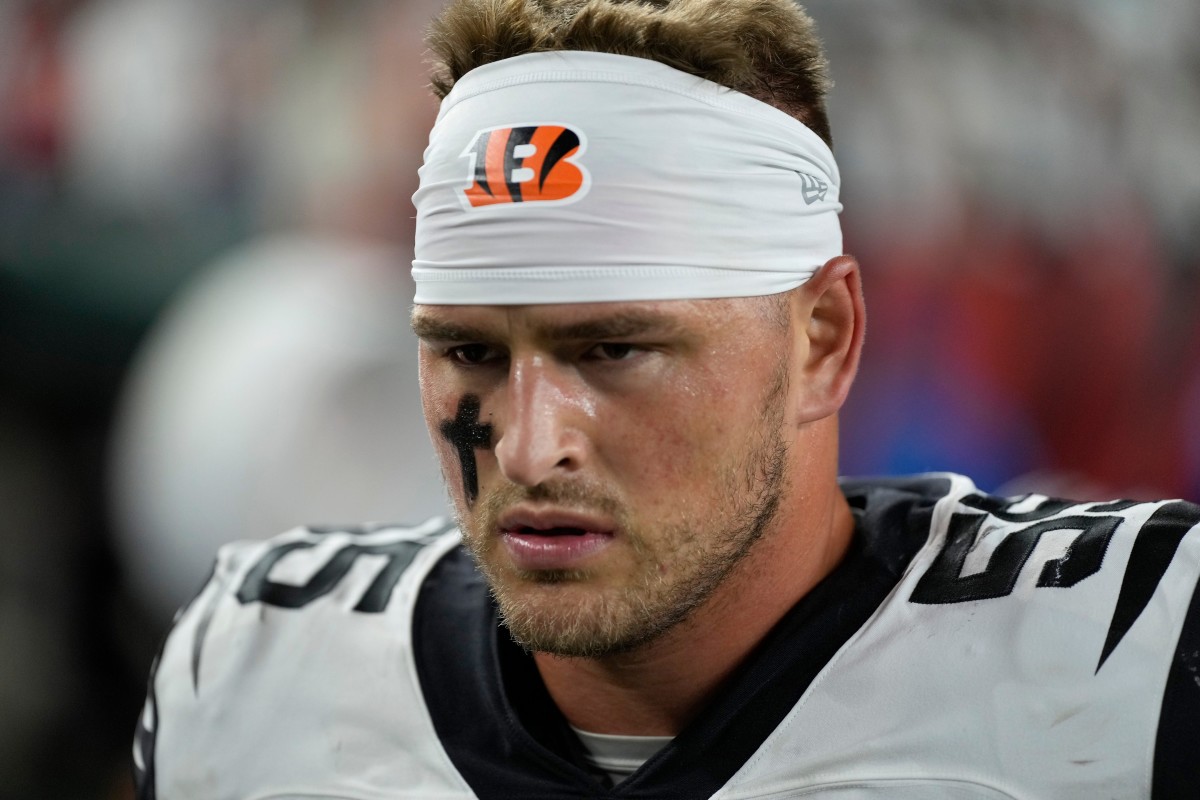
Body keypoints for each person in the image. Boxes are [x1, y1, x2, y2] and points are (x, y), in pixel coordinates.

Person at [133, 1, 1200, 796]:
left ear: (821, 339)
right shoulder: (252, 667)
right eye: (468, 351)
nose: (529, 445)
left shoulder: (1138, 650)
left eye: (614, 349)